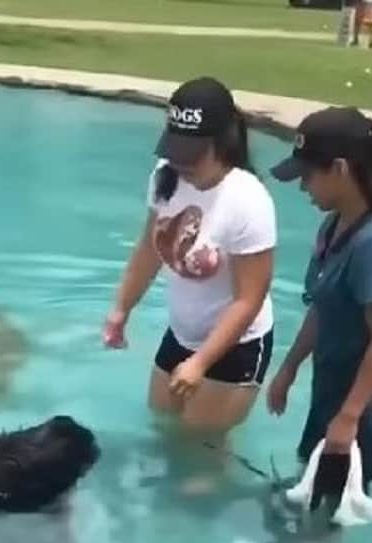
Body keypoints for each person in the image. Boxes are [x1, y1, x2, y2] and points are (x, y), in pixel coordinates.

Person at [103, 78, 276, 434]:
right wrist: (121, 309)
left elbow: (249, 300)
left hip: (236, 346)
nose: (181, 163)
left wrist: (200, 362)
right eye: (175, 150)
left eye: (192, 154)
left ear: (223, 142)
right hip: (181, 334)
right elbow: (148, 248)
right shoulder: (165, 178)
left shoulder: (248, 200)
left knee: (200, 460)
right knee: (162, 430)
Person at [267, 107, 372, 490]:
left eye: (308, 176)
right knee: (307, 484)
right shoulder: (333, 225)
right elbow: (322, 305)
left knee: (327, 512)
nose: (303, 188)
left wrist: (350, 416)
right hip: (334, 382)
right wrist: (288, 369)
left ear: (340, 169)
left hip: (369, 398)